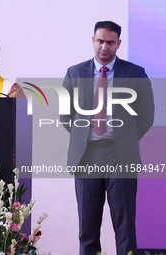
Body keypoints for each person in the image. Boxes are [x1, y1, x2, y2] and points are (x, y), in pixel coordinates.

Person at [60, 21, 154, 255]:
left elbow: (146, 115)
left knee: (124, 228)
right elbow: (65, 114)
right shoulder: (75, 72)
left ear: (118, 44)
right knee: (87, 227)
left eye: (110, 42)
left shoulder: (135, 73)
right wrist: (85, 136)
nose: (104, 47)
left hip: (120, 156)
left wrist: (126, 139)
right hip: (86, 156)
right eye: (100, 41)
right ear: (93, 40)